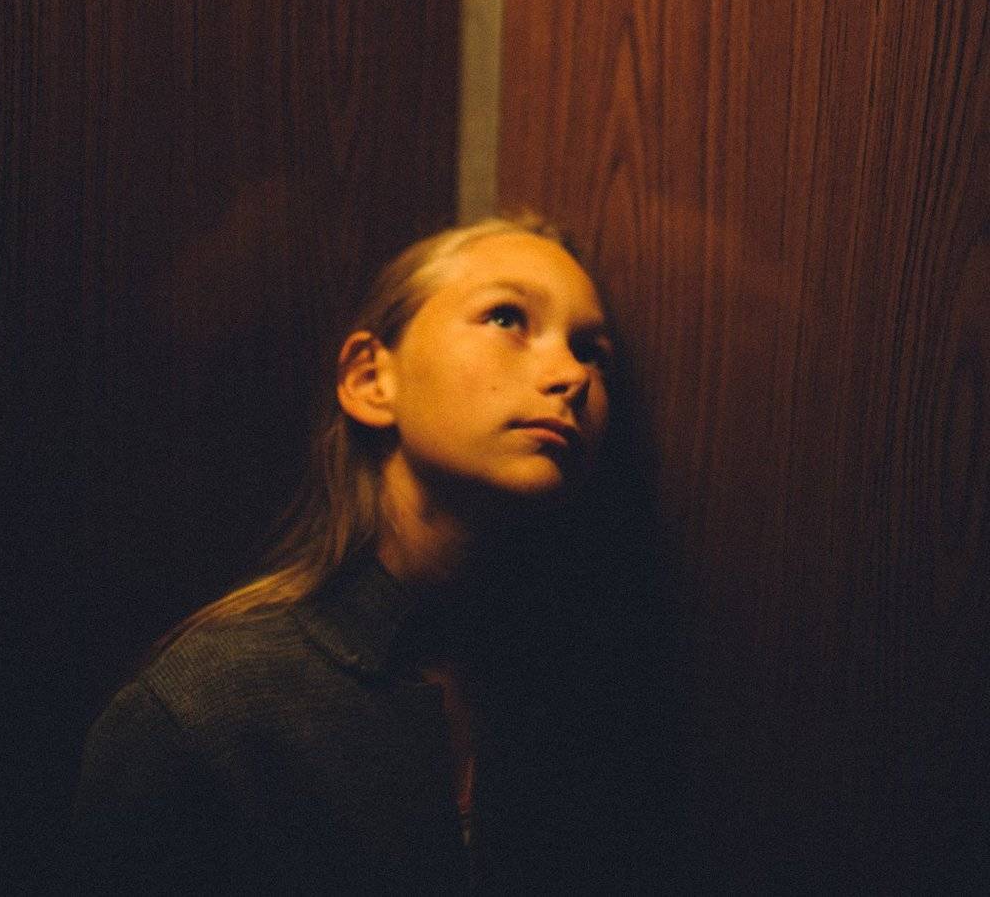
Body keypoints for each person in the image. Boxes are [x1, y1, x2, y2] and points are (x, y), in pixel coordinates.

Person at [73, 212, 664, 893]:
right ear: (370, 380)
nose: (571, 376)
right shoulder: (208, 711)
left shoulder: (581, 702)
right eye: (506, 317)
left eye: (592, 351)